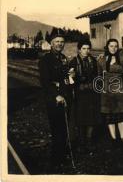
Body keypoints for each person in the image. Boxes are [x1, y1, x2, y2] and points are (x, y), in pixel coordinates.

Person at [38, 29, 75, 168]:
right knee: (57, 128)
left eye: (62, 42)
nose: (59, 44)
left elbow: (64, 77)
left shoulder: (63, 58)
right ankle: (56, 159)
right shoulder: (45, 60)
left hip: (66, 97)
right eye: (57, 42)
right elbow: (45, 81)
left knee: (64, 128)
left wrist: (70, 76)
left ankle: (62, 155)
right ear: (51, 44)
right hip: (54, 99)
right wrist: (56, 95)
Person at [97, 38, 123, 147]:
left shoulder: (121, 58)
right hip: (107, 90)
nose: (113, 48)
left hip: (120, 90)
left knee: (120, 115)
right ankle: (114, 139)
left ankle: (122, 138)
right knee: (110, 116)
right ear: (107, 47)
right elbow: (99, 77)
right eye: (111, 46)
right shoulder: (102, 59)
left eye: (115, 46)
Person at [69, 38, 100, 153]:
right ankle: (81, 142)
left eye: (88, 48)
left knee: (91, 118)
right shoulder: (74, 62)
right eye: (84, 49)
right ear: (79, 50)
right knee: (81, 118)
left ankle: (89, 141)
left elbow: (97, 76)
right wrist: (74, 80)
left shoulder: (93, 61)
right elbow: (70, 79)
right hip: (79, 94)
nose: (86, 51)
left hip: (92, 93)